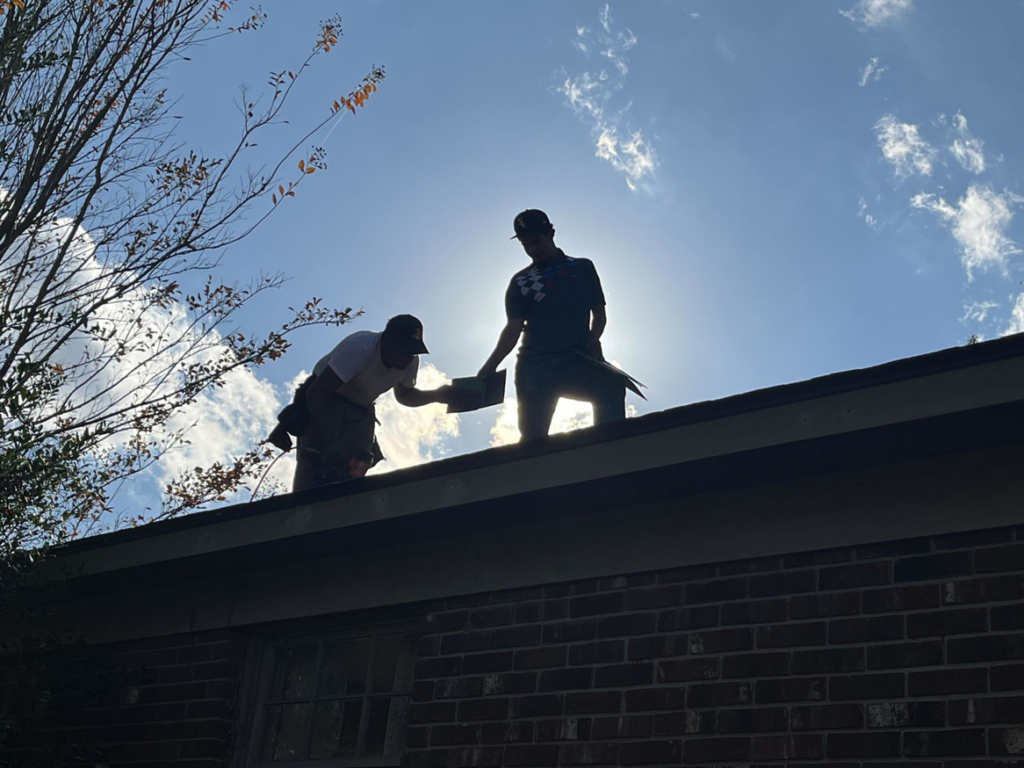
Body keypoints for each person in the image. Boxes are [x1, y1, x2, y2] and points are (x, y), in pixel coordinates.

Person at [478, 209, 626, 441]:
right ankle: (533, 462)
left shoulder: (582, 267)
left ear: (551, 233)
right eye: (526, 245)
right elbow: (513, 327)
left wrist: (594, 337)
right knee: (532, 441)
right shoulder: (520, 281)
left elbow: (599, 313)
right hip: (536, 367)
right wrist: (490, 366)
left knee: (612, 384)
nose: (533, 249)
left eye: (537, 241)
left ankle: (608, 449)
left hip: (575, 360)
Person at [289, 314, 452, 491]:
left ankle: (345, 502)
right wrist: (329, 442)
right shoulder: (360, 348)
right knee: (317, 462)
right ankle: (304, 502)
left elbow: (405, 396)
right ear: (387, 342)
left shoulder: (410, 361)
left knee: (353, 469)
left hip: (361, 409)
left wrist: (438, 396)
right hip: (327, 399)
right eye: (404, 351)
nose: (408, 358)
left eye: (412, 352)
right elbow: (317, 393)